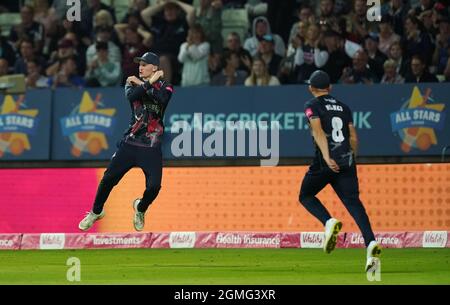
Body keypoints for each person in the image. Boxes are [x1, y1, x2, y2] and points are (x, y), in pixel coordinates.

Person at [78, 52, 173, 232]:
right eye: (140, 64)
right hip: (130, 142)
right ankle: (96, 212)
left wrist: (146, 84)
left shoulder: (167, 87)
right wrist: (147, 82)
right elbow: (132, 96)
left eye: (145, 64)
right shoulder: (130, 82)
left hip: (151, 146)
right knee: (108, 179)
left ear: (154, 67)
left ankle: (140, 208)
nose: (140, 67)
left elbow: (161, 99)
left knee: (154, 187)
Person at [299, 70, 381, 272]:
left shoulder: (311, 105)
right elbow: (353, 137)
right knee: (354, 204)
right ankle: (370, 243)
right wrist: (353, 159)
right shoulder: (344, 108)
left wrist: (327, 158)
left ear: (311, 88)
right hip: (347, 162)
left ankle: (329, 222)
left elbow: (318, 131)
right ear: (330, 88)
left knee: (306, 195)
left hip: (325, 162)